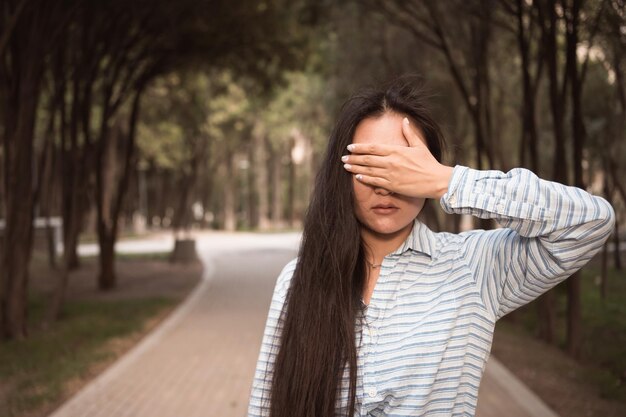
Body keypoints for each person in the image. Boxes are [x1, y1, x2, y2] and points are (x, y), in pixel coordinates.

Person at [247, 77, 615, 417]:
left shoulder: (473, 267)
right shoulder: (298, 279)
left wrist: (448, 180)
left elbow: (590, 222)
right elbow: (266, 404)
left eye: (402, 167)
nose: (385, 185)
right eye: (370, 166)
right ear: (340, 176)